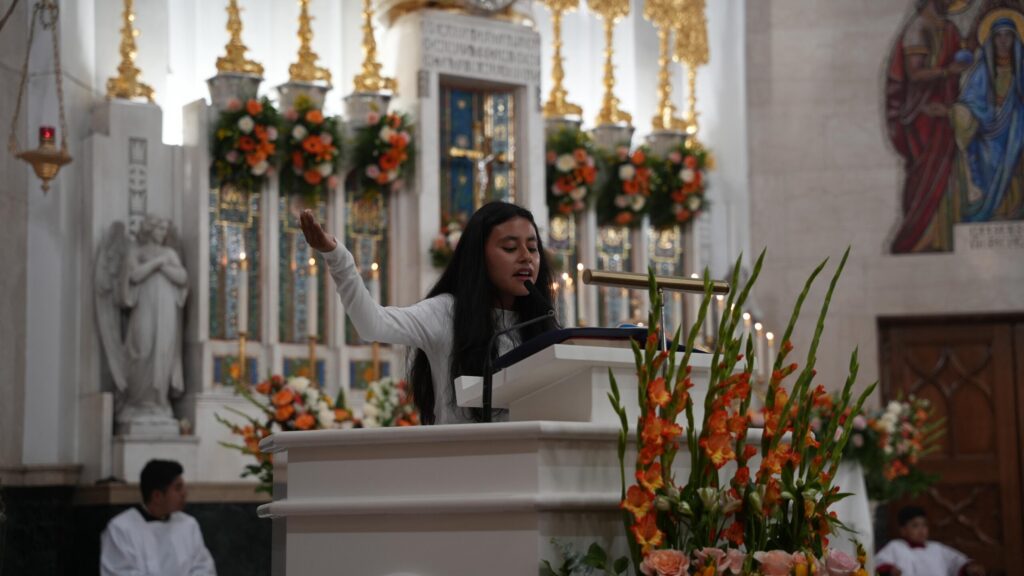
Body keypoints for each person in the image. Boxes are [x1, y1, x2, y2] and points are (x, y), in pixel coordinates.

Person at [300, 201, 559, 424]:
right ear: (479, 257)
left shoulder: (544, 323)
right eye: (510, 248)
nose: (526, 257)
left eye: (533, 248)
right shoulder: (446, 313)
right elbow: (372, 324)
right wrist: (337, 257)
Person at [886, 0, 972, 253]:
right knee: (925, 175)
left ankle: (941, 237)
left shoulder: (949, 28)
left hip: (943, 114)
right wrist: (949, 71)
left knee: (945, 175)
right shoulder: (918, 27)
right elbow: (915, 74)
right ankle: (917, 237)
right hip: (922, 116)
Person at [952, 9, 1024, 222]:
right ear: (991, 40)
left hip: (1016, 126)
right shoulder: (982, 69)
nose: (1003, 41)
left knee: (1017, 146)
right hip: (986, 129)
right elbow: (969, 100)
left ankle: (1014, 207)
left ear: (1015, 38)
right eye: (998, 36)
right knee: (987, 157)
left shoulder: (1021, 68)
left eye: (1008, 35)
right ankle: (991, 207)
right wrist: (976, 114)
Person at [120, 215, 189, 426]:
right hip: (145, 308)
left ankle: (159, 403)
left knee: (164, 350)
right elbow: (134, 277)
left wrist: (163, 265)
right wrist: (158, 263)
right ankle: (139, 402)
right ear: (150, 230)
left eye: (165, 230)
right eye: (160, 229)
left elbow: (182, 278)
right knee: (143, 348)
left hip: (167, 309)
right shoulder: (136, 252)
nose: (163, 234)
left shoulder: (170, 253)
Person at [100, 459, 216, 575]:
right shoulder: (121, 528)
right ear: (157, 496)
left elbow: (204, 567)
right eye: (178, 488)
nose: (184, 493)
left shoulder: (188, 524)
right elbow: (120, 572)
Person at [875, 505, 986, 576]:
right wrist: (890, 570)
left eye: (924, 525)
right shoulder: (896, 546)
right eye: (915, 526)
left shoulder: (937, 548)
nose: (921, 530)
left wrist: (969, 568)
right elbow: (879, 563)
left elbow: (957, 562)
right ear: (903, 530)